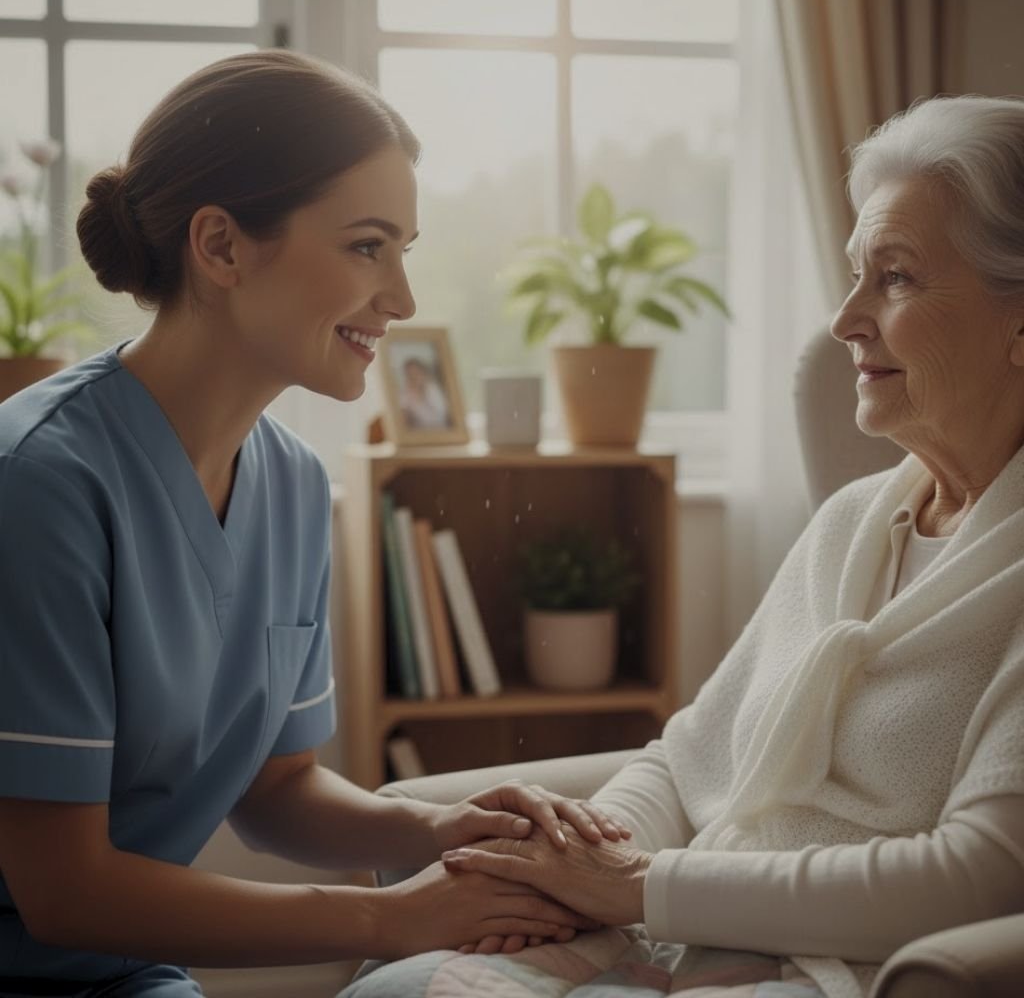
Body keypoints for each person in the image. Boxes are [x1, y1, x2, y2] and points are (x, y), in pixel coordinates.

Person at [348, 96, 1024, 998]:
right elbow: (687, 760)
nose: (845, 319)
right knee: (395, 989)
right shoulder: (853, 524)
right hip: (676, 932)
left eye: (895, 278)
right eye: (856, 275)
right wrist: (574, 860)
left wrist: (635, 888)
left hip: (835, 971)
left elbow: (976, 878)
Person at [0, 50, 633, 997]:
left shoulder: (293, 484)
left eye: (405, 251)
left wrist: (435, 829)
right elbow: (62, 892)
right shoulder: (38, 482)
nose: (403, 300)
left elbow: (275, 788)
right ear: (219, 247)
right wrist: (389, 917)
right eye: (367, 245)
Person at [398, 354, 450, 429]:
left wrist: (420, 396)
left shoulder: (432, 388)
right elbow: (403, 417)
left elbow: (441, 414)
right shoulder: (405, 393)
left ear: (423, 373)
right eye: (410, 375)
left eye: (416, 373)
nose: (414, 377)